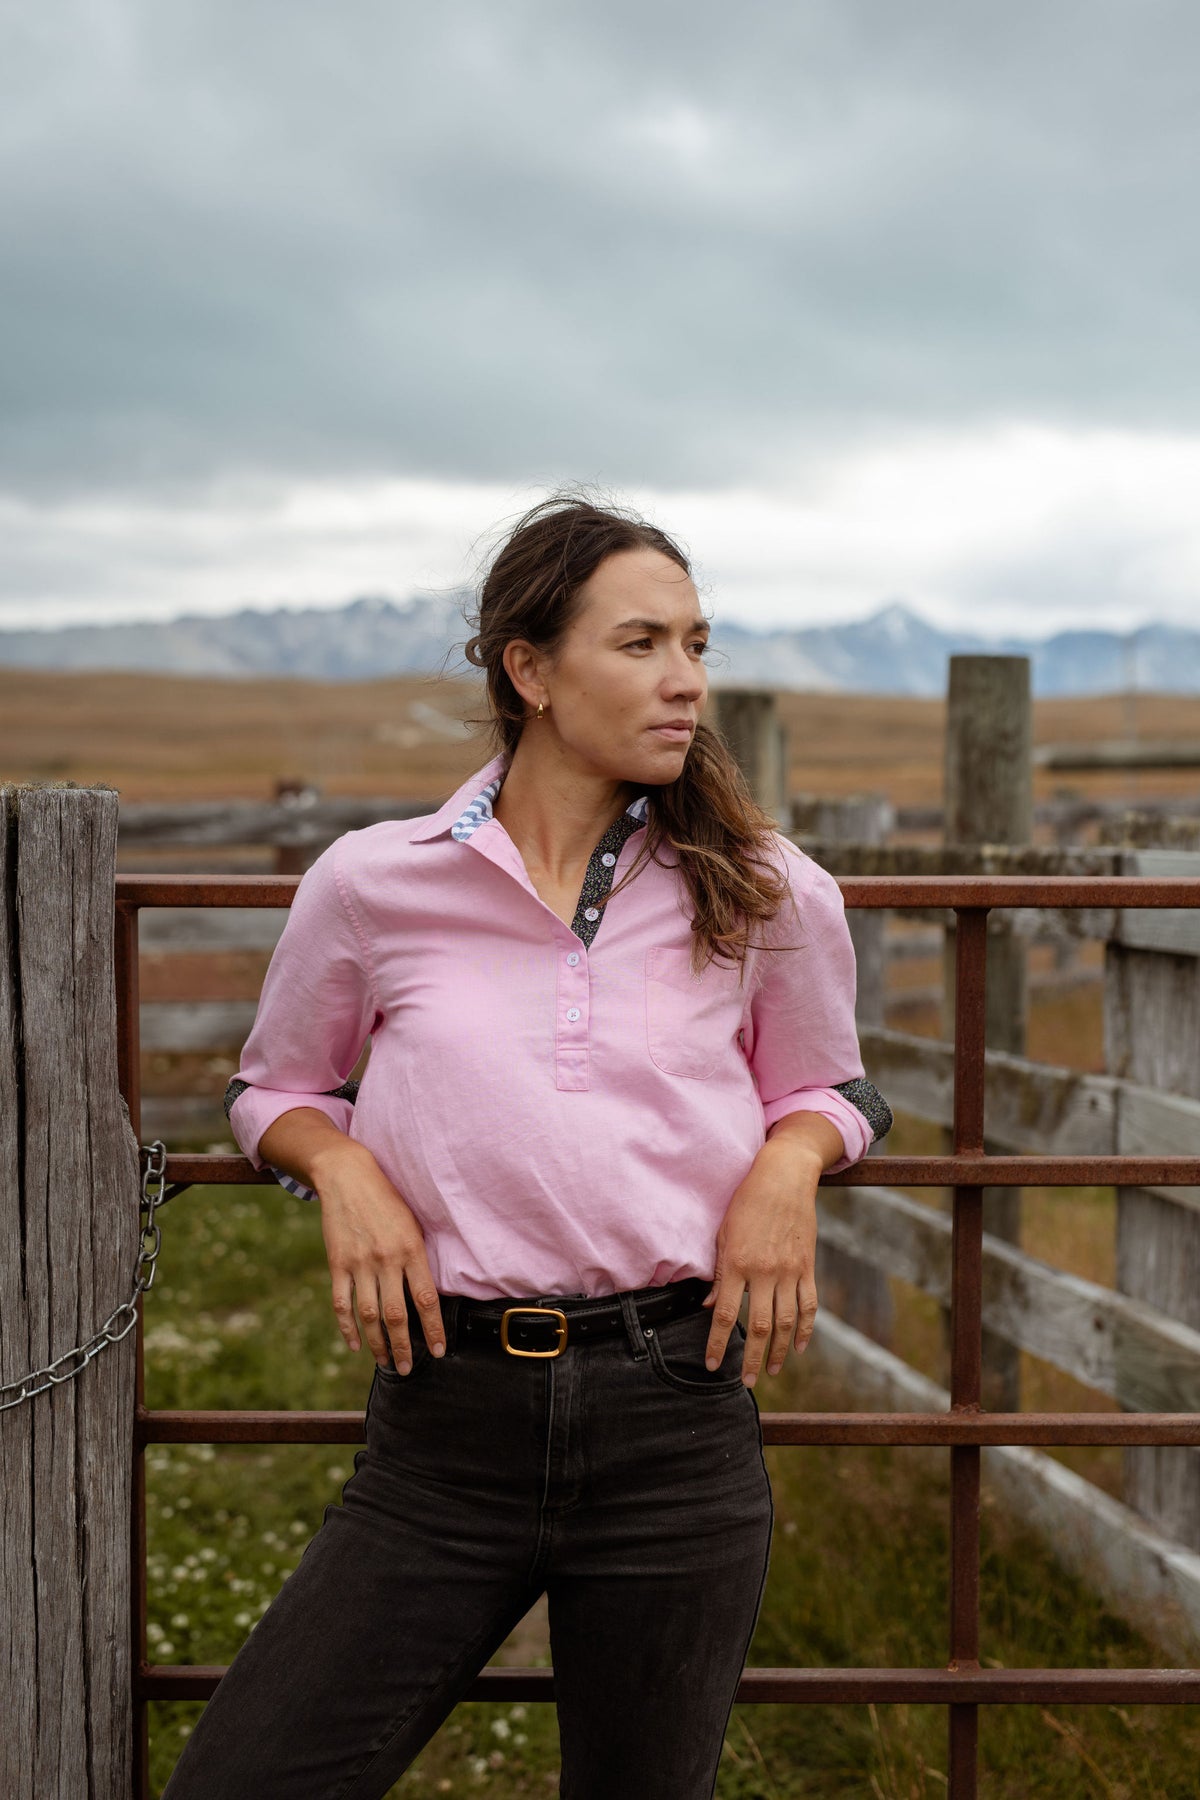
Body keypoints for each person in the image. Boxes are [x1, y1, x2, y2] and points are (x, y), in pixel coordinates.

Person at [162, 493, 891, 1800]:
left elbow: (829, 1086)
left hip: (676, 1412)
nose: (687, 681)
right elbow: (275, 1086)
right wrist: (340, 1166)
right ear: (531, 672)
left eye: (697, 644)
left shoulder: (765, 884)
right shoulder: (373, 882)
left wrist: (791, 1164)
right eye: (641, 644)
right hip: (447, 1422)